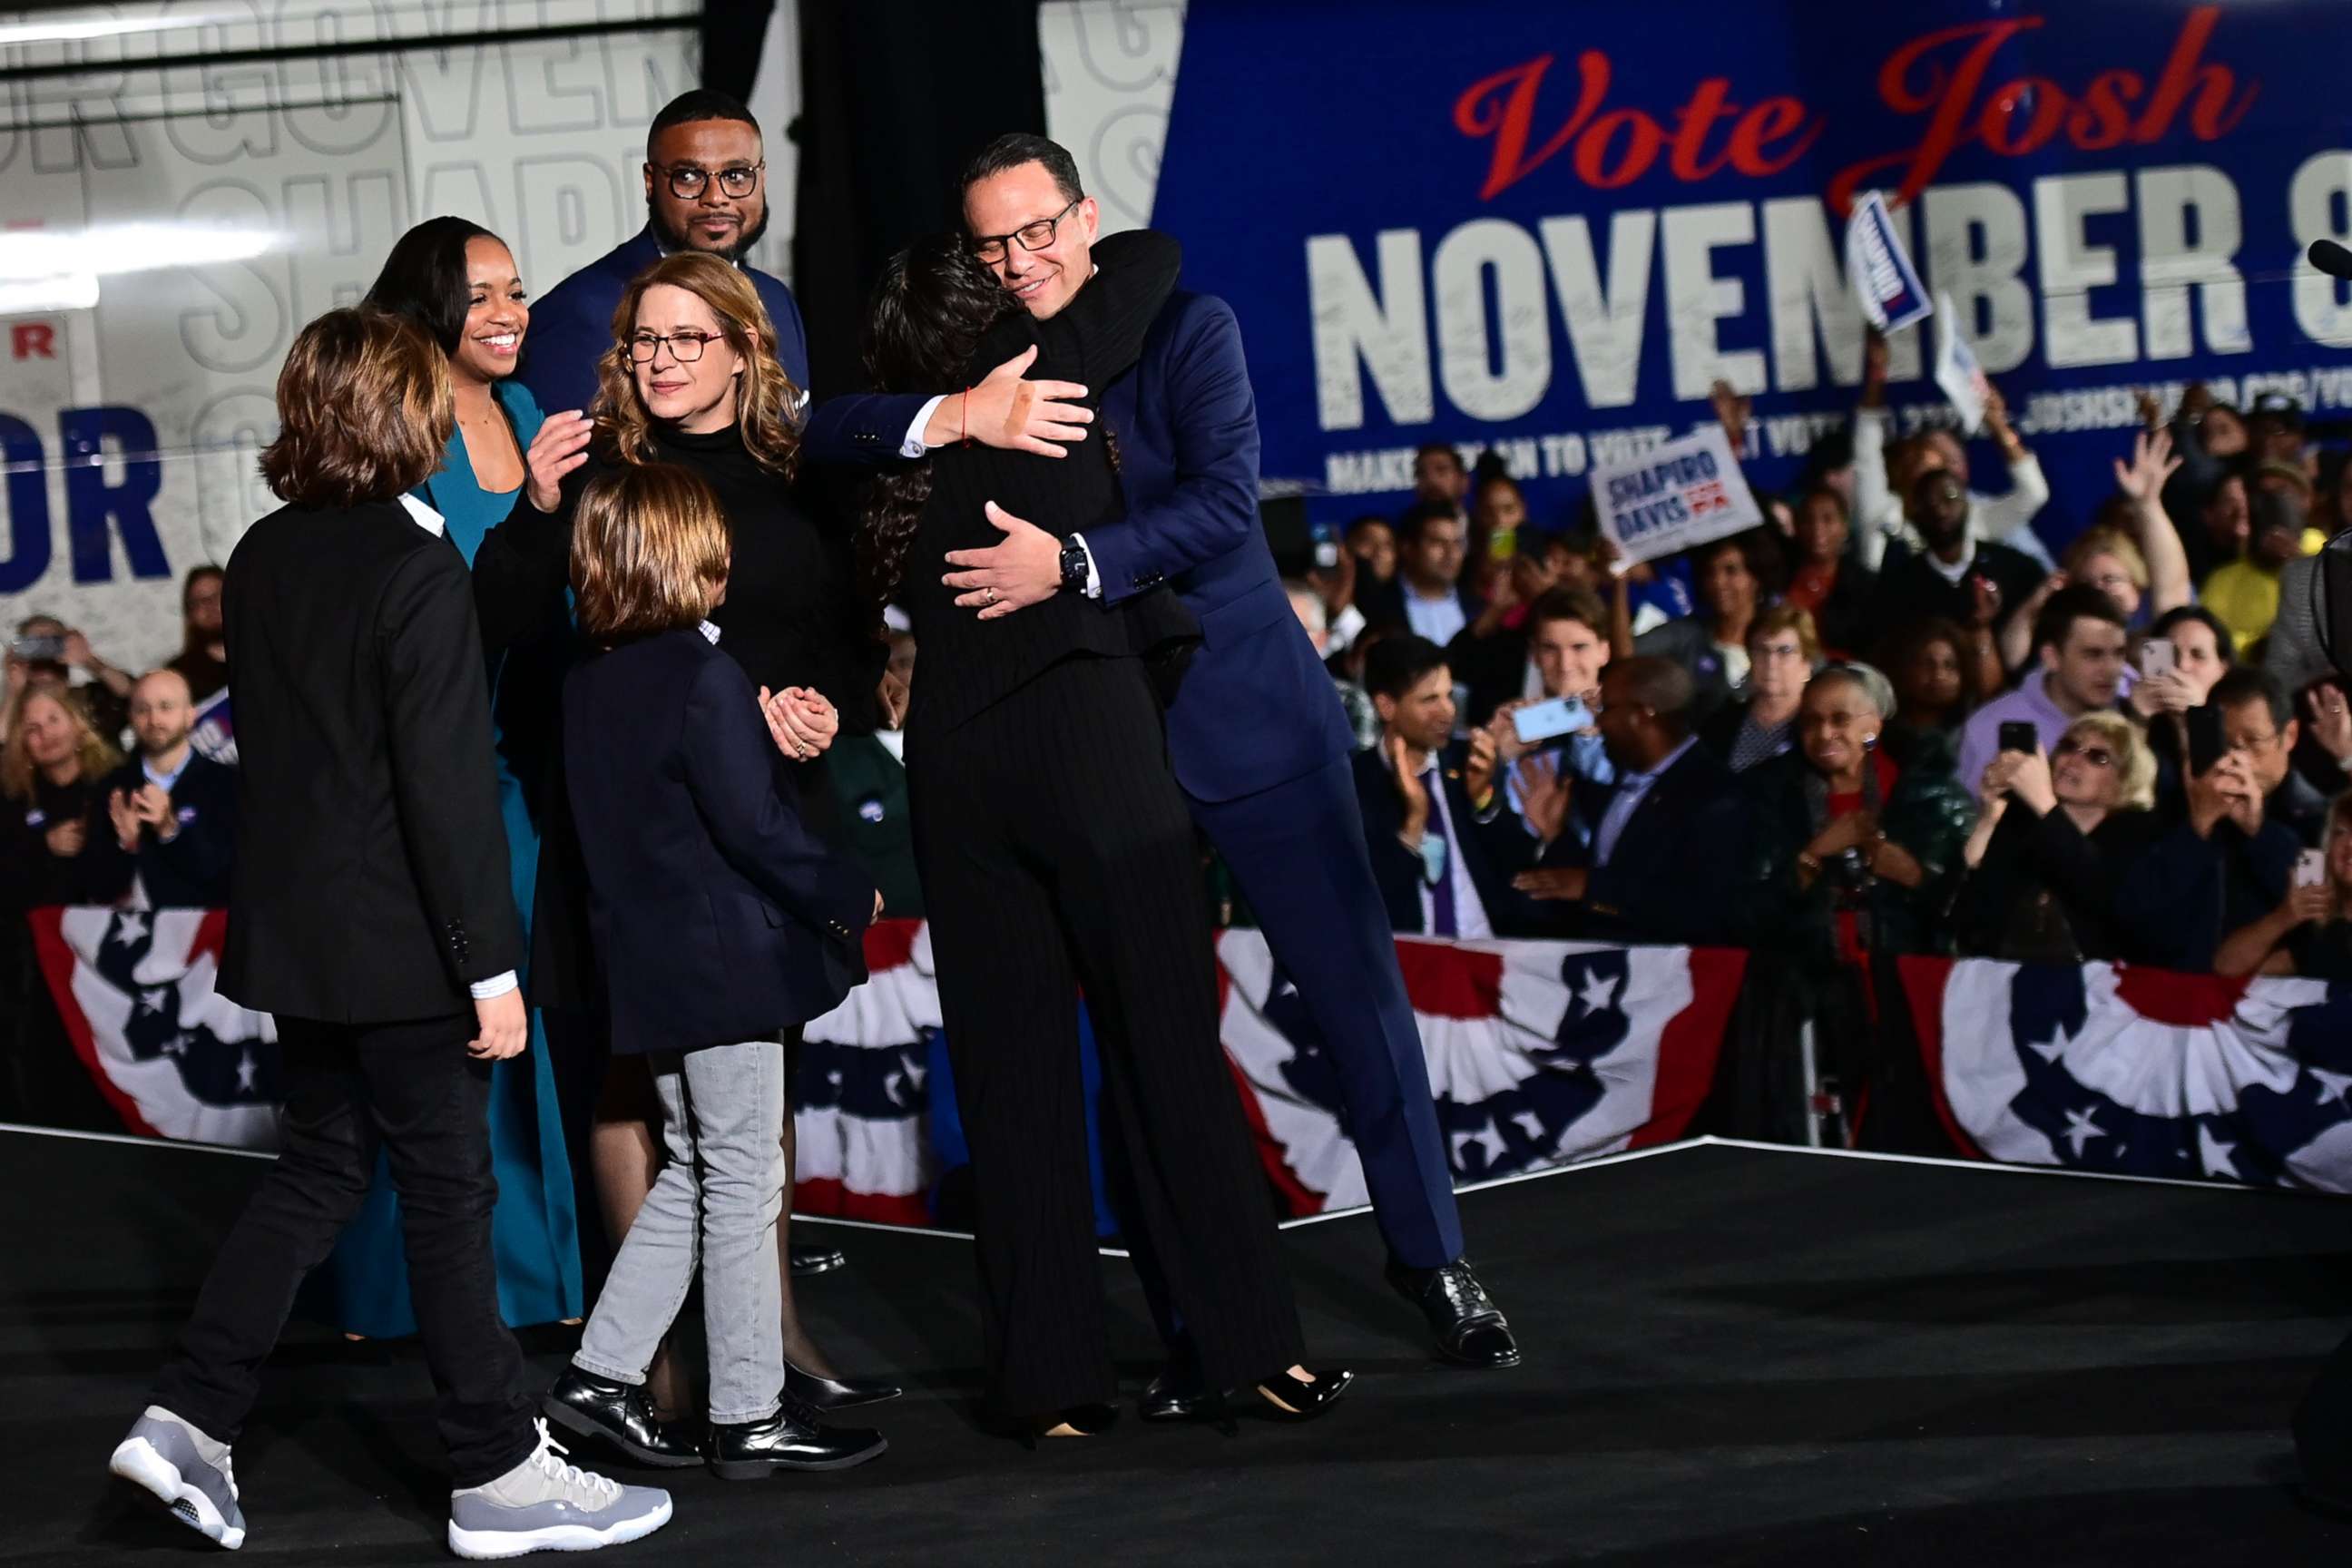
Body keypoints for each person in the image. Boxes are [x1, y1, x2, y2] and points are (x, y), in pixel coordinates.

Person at [799, 132, 1517, 1375]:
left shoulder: (1191, 328)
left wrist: (1072, 565)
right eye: (995, 244)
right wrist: (962, 412)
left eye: (1038, 230)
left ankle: (1432, 1250)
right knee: (1148, 1032)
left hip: (1247, 716)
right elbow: (824, 426)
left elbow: (1225, 506)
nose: (1022, 259)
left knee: (1353, 998)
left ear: (1085, 220)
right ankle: (1197, 1324)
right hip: (1099, 749)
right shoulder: (995, 365)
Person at [104, 308, 667, 1559]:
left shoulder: (261, 554)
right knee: (448, 1194)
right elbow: (442, 787)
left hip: (304, 943)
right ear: (404, 416)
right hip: (408, 942)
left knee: (317, 1175)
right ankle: (495, 1469)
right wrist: (491, 968)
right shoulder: (413, 568)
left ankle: (190, 1413)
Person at [857, 226, 1342, 1435]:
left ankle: (1047, 1385)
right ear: (992, 326)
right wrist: (1047, 262)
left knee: (1012, 1086)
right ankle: (1249, 1348)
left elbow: (815, 433)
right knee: (1167, 1053)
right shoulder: (1053, 389)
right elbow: (1155, 258)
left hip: (959, 771)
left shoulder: (885, 463)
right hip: (1092, 749)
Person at [477, 250, 881, 1412]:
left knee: (751, 1095)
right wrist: (534, 512)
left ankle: (769, 1346)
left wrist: (817, 708)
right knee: (626, 1078)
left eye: (683, 340)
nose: (657, 362)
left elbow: (840, 628)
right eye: (642, 343)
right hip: (625, 814)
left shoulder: (795, 471)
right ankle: (651, 1366)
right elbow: (494, 621)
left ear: (745, 347)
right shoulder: (598, 466)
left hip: (762, 803)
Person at [542, 463, 887, 1478]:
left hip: (652, 969)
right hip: (726, 963)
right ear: (685, 554)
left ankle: (604, 1375)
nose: (727, 552)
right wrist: (845, 891)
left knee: (698, 1170)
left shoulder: (592, 680)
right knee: (740, 1175)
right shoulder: (704, 673)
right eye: (711, 534)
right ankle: (748, 1412)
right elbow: (755, 830)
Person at [336, 213, 584, 1341]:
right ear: (429, 306)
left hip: (537, 757)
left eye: (517, 290)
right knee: (457, 1032)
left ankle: (545, 1283)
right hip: (441, 770)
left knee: (532, 1018)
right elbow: (420, 606)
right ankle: (427, 1292)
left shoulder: (531, 413)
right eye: (480, 294)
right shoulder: (394, 430)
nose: (508, 312)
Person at [520, 89, 808, 417]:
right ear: (650, 181)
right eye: (688, 177)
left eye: (736, 175)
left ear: (762, 177)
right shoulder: (583, 312)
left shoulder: (775, 299)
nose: (716, 197)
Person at [1509, 657, 1746, 945]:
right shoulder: (1622, 777)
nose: (1598, 721)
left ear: (1644, 715)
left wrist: (1595, 888)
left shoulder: (1715, 795)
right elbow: (1591, 876)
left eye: (1606, 709)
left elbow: (1702, 909)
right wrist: (1556, 834)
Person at [2118, 668, 2311, 971]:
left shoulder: (2315, 813)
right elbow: (2133, 914)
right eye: (2226, 742)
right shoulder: (2175, 800)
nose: (2238, 758)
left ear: (2289, 735)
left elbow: (2316, 920)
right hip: (2172, 992)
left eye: (2252, 741)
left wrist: (2258, 831)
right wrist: (2198, 826)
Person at [1352, 635, 1538, 936]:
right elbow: (1369, 900)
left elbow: (1517, 867)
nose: (1447, 711)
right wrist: (1414, 821)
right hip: (1408, 958)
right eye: (1429, 700)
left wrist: (1483, 801)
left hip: (1485, 951)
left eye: (1448, 696)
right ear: (1386, 706)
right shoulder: (1356, 783)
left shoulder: (1471, 761)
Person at [1953, 711, 2160, 961]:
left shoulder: (2140, 836)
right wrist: (1990, 815)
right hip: (2001, 975)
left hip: (2093, 985)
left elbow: (2101, 895)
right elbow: (1961, 909)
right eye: (2069, 746)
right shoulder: (2023, 820)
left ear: (2126, 781)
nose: (2073, 760)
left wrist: (2044, 804)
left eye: (2098, 757)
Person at [1851, 330, 2052, 571]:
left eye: (1938, 470)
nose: (1929, 488)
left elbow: (2033, 493)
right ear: (1901, 475)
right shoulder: (1882, 512)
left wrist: (1997, 425)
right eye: (1916, 465)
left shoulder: (1972, 521)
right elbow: (1868, 442)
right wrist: (1876, 374)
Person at [1869, 468, 2045, 688]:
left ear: (1968, 504)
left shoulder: (2016, 568)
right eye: (1928, 504)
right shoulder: (1898, 584)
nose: (1940, 510)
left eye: (1949, 498)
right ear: (1913, 515)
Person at [1955, 584, 2131, 800]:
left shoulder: (2134, 712)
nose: (2111, 669)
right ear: (2051, 657)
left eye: (2119, 654)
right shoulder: (1990, 727)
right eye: (2093, 655)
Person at [103, 670, 237, 908]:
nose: (154, 720)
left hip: (209, 938)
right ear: (131, 717)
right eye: (143, 709)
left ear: (190, 715)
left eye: (166, 707)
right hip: (136, 940)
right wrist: (128, 845)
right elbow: (97, 889)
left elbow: (225, 878)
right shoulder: (112, 787)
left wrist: (170, 830)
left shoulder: (227, 782)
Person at [0, 683, 133, 910]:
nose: (46, 734)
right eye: (33, 729)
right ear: (23, 743)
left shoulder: (117, 782)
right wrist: (43, 846)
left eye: (53, 720)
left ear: (77, 725)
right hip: (41, 929)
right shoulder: (13, 797)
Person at [1622, 529, 1779, 715]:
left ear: (1757, 579)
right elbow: (1624, 656)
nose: (1718, 582)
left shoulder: (1780, 637)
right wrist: (1619, 582)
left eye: (1731, 571)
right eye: (1710, 572)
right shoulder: (1686, 633)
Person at [2215, 792, 2352, 978]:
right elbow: (2227, 966)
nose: (2349, 844)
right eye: (2341, 833)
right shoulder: (2327, 932)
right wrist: (2285, 916)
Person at [1699, 606, 1819, 773]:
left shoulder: (1816, 727)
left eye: (1784, 651)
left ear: (1807, 662)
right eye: (1762, 650)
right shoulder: (1722, 720)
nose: (1771, 662)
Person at [1358, 499, 1482, 645]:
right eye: (1438, 542)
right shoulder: (1377, 607)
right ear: (1408, 548)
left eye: (1457, 543)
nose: (1451, 553)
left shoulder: (1477, 604)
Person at [2203, 490, 2309, 656]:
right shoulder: (2223, 580)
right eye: (2271, 538)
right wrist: (2256, 645)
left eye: (2284, 540)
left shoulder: (2319, 564)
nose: (2278, 546)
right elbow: (2212, 639)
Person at [1782, 485, 1876, 659]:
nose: (1817, 528)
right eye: (1808, 520)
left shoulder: (1868, 585)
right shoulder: (1779, 579)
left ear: (1845, 527)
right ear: (1796, 527)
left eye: (1827, 519)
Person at [1878, 617, 1983, 759]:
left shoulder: (1971, 736)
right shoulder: (1882, 735)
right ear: (1907, 668)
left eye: (1950, 666)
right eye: (1927, 664)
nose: (1939, 675)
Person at [166, 566, 230, 703]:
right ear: (190, 615)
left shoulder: (267, 655)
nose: (210, 605)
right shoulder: (179, 675)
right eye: (199, 601)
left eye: (217, 595)